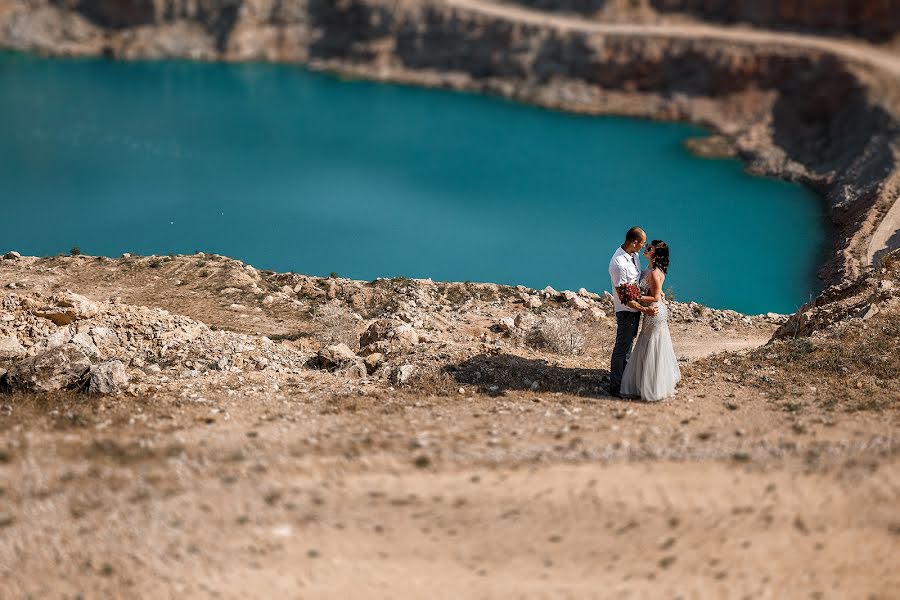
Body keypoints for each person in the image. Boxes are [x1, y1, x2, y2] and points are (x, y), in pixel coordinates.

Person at [620, 240, 681, 401]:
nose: (645, 249)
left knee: (652, 345)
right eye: (647, 247)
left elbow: (655, 297)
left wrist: (635, 296)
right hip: (651, 311)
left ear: (655, 254)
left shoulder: (654, 272)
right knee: (648, 344)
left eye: (649, 248)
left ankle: (653, 386)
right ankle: (647, 384)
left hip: (655, 312)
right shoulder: (649, 269)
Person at [608, 227, 657, 398]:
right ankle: (615, 387)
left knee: (628, 346)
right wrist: (645, 308)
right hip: (626, 311)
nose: (644, 247)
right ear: (634, 242)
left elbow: (637, 280)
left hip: (635, 308)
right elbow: (624, 297)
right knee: (622, 348)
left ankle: (625, 383)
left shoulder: (634, 256)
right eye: (642, 243)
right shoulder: (618, 264)